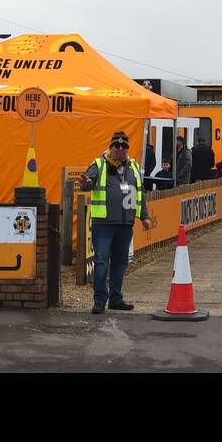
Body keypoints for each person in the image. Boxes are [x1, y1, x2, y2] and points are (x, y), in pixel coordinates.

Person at [76, 131, 154, 314]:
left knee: (120, 262)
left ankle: (116, 299)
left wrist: (144, 216)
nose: (120, 149)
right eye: (116, 146)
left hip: (125, 224)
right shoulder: (99, 164)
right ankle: (99, 301)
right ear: (110, 147)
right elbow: (88, 183)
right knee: (102, 260)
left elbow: (139, 194)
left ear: (127, 149)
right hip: (103, 223)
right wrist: (85, 183)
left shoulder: (133, 166)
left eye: (124, 146)